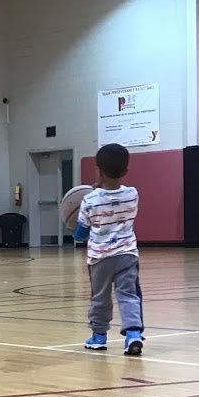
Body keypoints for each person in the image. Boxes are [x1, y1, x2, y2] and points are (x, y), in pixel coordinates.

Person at [73, 143, 144, 355]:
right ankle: (133, 334)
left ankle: (99, 336)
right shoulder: (133, 194)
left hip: (100, 258)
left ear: (99, 170)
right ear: (125, 171)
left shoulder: (89, 199)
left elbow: (80, 234)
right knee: (129, 295)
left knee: (100, 298)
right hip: (127, 255)